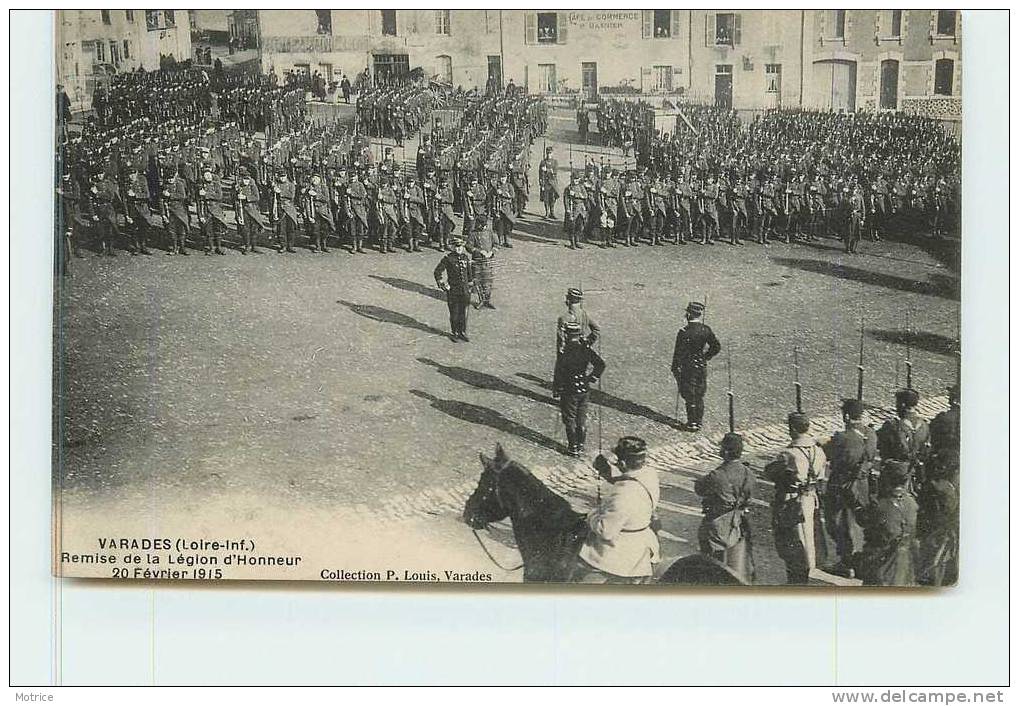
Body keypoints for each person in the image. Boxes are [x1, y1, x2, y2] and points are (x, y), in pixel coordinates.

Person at [573, 436, 660, 583]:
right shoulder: (650, 474)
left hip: (620, 553)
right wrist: (607, 472)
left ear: (623, 463)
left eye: (617, 461)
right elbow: (629, 480)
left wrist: (591, 515)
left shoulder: (623, 495)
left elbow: (605, 531)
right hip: (643, 539)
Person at [764, 412, 828, 585]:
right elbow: (821, 476)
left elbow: (770, 472)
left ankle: (796, 580)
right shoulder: (818, 451)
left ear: (792, 429)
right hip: (811, 498)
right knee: (809, 539)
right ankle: (805, 574)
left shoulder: (789, 454)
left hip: (792, 500)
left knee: (792, 541)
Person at [823, 398, 879, 576]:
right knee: (858, 521)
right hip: (863, 485)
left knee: (838, 523)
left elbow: (829, 454)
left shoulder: (843, 438)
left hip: (842, 485)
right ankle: (857, 559)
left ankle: (847, 562)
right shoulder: (871, 434)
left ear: (846, 416)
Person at [694, 432, 756, 583]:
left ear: (726, 452)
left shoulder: (717, 475)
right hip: (739, 521)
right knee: (737, 559)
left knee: (713, 561)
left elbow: (700, 489)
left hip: (717, 522)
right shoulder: (748, 473)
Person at [857, 460, 919, 586]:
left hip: (882, 566)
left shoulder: (880, 505)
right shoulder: (912, 503)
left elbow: (865, 525)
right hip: (906, 565)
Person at [552, 322, 606, 457]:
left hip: (569, 391)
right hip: (584, 389)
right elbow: (601, 364)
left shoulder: (564, 352)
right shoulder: (585, 349)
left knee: (569, 419)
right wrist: (592, 378)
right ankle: (581, 445)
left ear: (566, 335)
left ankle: (573, 447)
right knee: (581, 418)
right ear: (579, 334)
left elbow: (559, 372)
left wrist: (557, 389)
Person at [670, 301, 721, 432]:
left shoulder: (684, 332)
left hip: (688, 366)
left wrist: (675, 367)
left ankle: (691, 423)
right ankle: (698, 422)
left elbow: (678, 353)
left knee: (689, 394)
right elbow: (716, 347)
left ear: (688, 314)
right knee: (699, 393)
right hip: (701, 366)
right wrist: (706, 356)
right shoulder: (706, 329)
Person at [916, 446, 959, 586]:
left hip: (937, 527)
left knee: (934, 557)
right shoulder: (946, 487)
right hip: (943, 528)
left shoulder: (938, 486)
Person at [877, 388, 931, 488]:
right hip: (917, 474)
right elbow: (926, 450)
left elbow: (880, 445)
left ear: (902, 404)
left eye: (897, 403)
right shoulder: (924, 425)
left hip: (896, 474)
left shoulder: (893, 425)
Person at [433, 236, 474, 342]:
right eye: (455, 247)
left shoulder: (465, 257)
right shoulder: (448, 258)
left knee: (463, 312)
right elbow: (437, 271)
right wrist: (443, 284)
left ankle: (462, 332)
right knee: (454, 312)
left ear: (463, 247)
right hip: (453, 291)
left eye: (460, 247)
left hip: (464, 290)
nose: (458, 249)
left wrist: (471, 284)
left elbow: (469, 273)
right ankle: (454, 332)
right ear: (452, 247)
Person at [556, 288, 600, 357]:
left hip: (569, 352)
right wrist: (588, 341)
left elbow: (561, 338)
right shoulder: (585, 315)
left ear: (569, 300)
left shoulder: (563, 318)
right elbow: (597, 329)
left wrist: (561, 351)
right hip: (582, 350)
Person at [466, 216, 497, 309]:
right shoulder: (473, 233)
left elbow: (496, 244)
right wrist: (479, 251)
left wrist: (492, 252)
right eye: (481, 225)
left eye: (485, 225)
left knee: (488, 281)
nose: (483, 227)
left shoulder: (489, 232)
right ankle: (481, 300)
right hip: (477, 261)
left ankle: (487, 300)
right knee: (478, 281)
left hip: (488, 261)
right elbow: (468, 246)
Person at [538, 147, 559, 219]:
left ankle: (552, 212)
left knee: (553, 198)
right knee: (546, 198)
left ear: (552, 153)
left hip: (553, 182)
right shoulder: (542, 162)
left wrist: (546, 169)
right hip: (546, 182)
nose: (549, 155)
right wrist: (541, 184)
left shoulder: (555, 162)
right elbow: (540, 174)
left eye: (550, 153)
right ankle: (547, 213)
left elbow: (555, 171)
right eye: (547, 153)